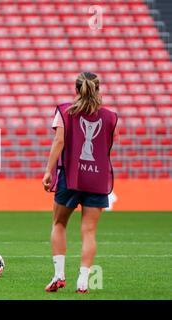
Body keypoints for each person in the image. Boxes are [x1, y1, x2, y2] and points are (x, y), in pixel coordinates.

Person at [42, 72, 118, 294]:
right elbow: (111, 142)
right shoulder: (111, 116)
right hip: (97, 178)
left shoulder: (64, 111)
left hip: (71, 177)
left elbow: (59, 141)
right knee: (89, 232)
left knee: (59, 223)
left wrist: (48, 172)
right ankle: (83, 281)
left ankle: (59, 275)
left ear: (76, 89)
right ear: (98, 89)